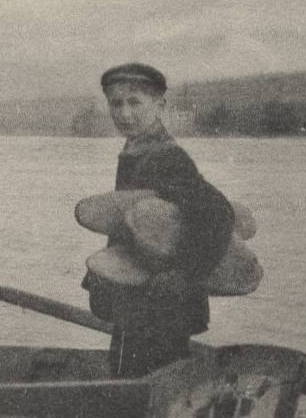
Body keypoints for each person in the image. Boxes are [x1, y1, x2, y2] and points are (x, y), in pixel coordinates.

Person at [84, 62, 234, 377]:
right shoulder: (137, 151)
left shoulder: (167, 157)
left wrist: (183, 272)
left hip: (162, 307)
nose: (124, 114)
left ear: (160, 105)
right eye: (116, 103)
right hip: (138, 304)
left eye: (134, 102)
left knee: (142, 382)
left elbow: (219, 215)